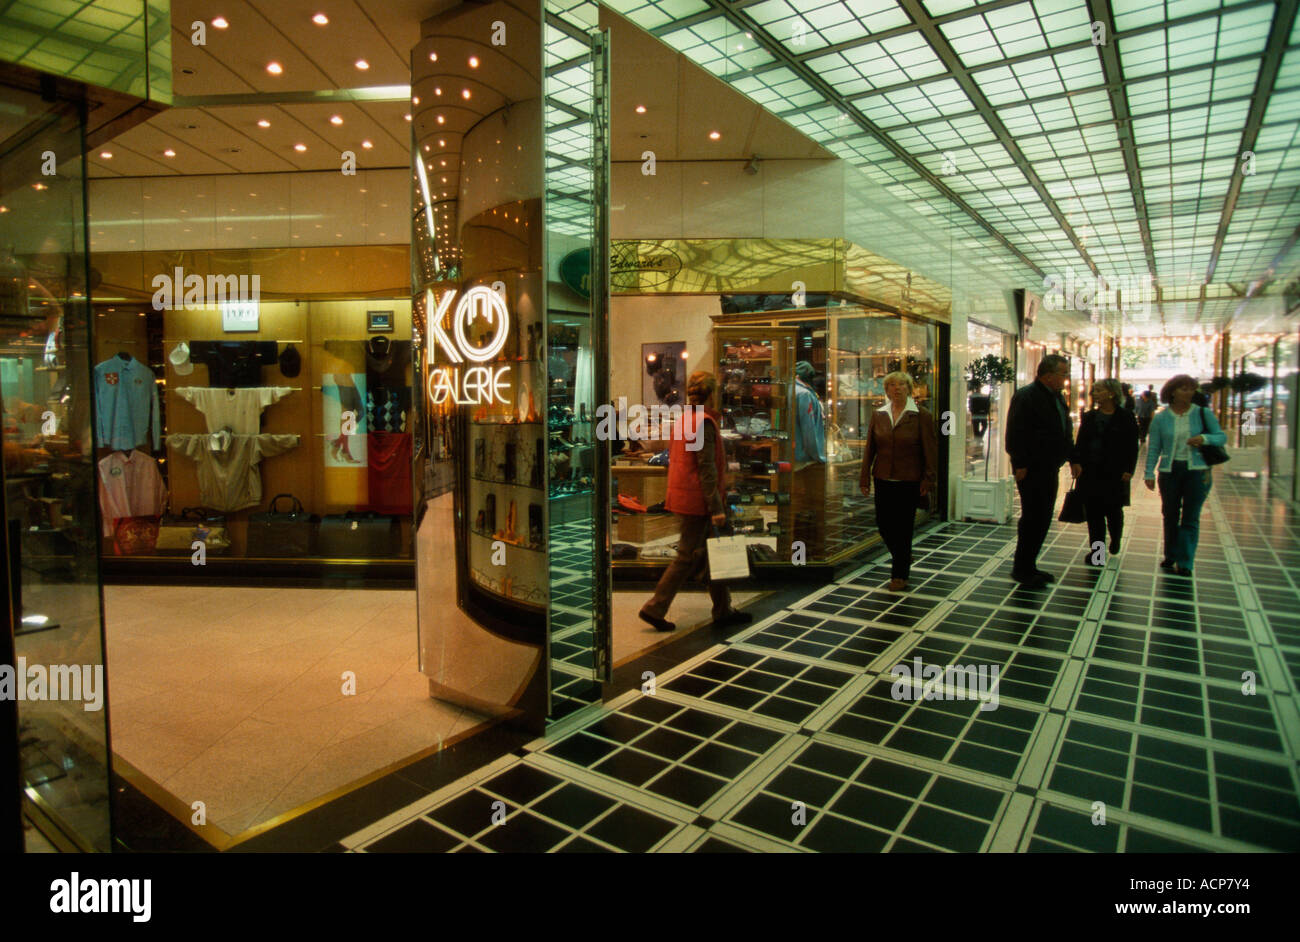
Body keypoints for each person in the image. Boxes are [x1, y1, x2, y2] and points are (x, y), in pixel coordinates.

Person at [639, 371, 752, 632]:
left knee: (713, 555)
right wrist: (716, 508)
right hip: (698, 501)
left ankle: (723, 610)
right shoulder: (703, 423)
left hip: (683, 495)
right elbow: (706, 468)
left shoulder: (684, 420)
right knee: (686, 557)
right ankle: (654, 607)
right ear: (712, 393)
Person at [859, 371, 938, 592]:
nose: (897, 388)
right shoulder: (879, 415)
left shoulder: (921, 416)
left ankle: (899, 575)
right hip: (883, 477)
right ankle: (902, 554)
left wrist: (928, 479)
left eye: (902, 384)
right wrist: (864, 477)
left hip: (909, 479)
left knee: (903, 528)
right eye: (892, 385)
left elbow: (930, 451)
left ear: (909, 388)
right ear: (886, 390)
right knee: (883, 524)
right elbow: (870, 449)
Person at [1144, 374, 1226, 577]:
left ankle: (1186, 560)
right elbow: (1154, 446)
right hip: (1170, 471)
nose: (1189, 393)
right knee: (1170, 514)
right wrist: (1148, 472)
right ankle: (1171, 554)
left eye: (1192, 389)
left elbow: (1220, 436)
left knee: (1190, 516)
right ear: (1172, 392)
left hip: (1197, 472)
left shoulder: (1202, 413)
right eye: (1184, 389)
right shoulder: (1161, 417)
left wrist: (1204, 438)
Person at [1005, 354, 1074, 587]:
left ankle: (1030, 564)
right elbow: (1015, 432)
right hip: (1032, 468)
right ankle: (1022, 568)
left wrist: (1071, 456)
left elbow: (1064, 428)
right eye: (1063, 374)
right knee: (1033, 518)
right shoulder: (1027, 396)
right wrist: (1020, 464)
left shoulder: (1055, 396)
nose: (1066, 378)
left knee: (1043, 518)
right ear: (1048, 375)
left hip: (1049, 467)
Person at [1069, 379, 1138, 564]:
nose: (1094, 393)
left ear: (1111, 393)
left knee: (1114, 511)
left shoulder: (1126, 417)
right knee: (1094, 516)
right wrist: (1075, 461)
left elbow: (1132, 446)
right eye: (1094, 390)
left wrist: (1129, 469)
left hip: (1115, 473)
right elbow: (1081, 442)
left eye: (1099, 390)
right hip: (1090, 472)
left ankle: (1115, 539)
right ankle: (1098, 554)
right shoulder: (1090, 416)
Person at [792, 360, 826, 557]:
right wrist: (818, 456)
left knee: (794, 509)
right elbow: (809, 430)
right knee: (808, 507)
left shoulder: (791, 391)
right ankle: (806, 552)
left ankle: (797, 553)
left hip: (793, 458)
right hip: (805, 461)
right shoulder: (804, 394)